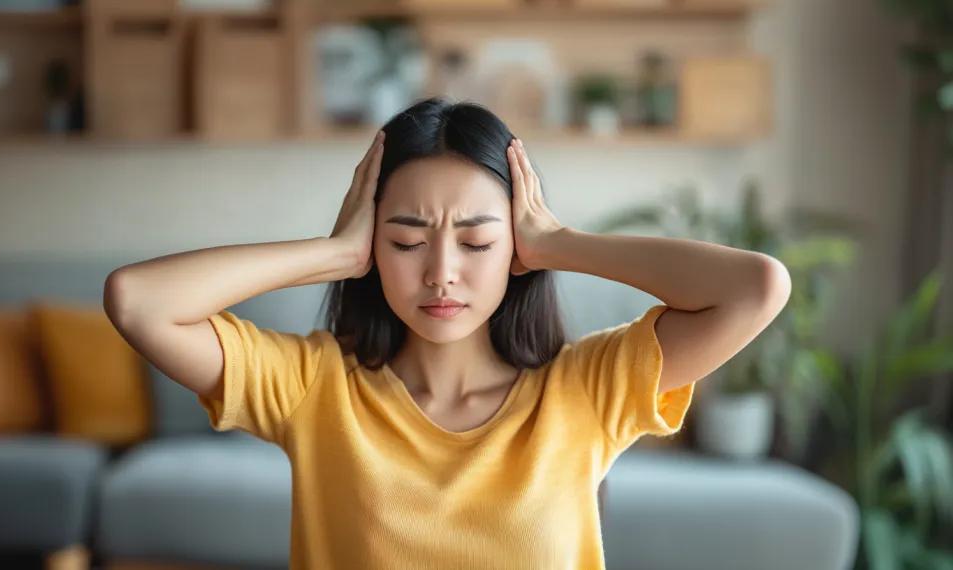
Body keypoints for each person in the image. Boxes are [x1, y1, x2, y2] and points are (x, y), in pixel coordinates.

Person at [104, 96, 791, 568]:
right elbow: (137, 301)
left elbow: (756, 288)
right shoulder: (313, 388)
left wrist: (557, 242)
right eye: (405, 242)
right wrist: (334, 252)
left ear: (515, 250)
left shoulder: (586, 390)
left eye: (475, 242)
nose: (440, 273)